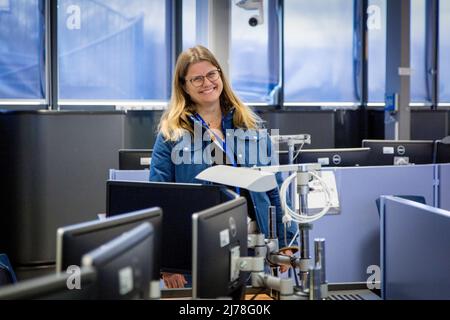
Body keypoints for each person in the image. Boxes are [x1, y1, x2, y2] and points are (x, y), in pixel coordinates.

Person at [149, 45, 295, 288]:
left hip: (252, 247)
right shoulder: (171, 135)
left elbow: (274, 191)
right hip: (197, 250)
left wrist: (285, 244)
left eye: (211, 74)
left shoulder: (252, 129)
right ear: (184, 85)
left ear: (220, 76)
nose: (207, 83)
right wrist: (167, 262)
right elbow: (160, 199)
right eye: (197, 78)